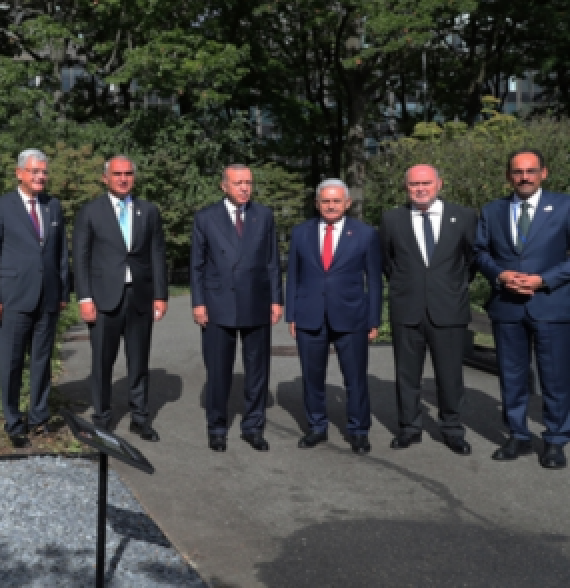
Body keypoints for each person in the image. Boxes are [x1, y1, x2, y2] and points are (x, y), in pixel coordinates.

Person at [475, 149, 570, 469]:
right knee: (511, 376)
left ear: (544, 173)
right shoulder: (492, 210)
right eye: (518, 172)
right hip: (508, 307)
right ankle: (518, 434)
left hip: (551, 304)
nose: (524, 177)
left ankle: (556, 439)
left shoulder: (564, 205)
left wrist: (543, 279)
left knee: (555, 378)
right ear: (508, 176)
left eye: (531, 171)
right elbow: (480, 252)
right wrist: (500, 275)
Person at [379, 164, 476, 455]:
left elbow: (470, 261)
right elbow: (388, 262)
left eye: (426, 183)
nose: (420, 189)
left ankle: (452, 428)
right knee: (407, 375)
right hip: (407, 309)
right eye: (414, 184)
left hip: (448, 309)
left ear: (439, 184)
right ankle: (409, 427)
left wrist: (449, 288)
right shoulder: (392, 219)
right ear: (405, 187)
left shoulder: (464, 217)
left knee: (450, 375)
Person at [73, 155, 168, 440]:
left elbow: (157, 255)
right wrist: (85, 298)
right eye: (117, 174)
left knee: (139, 361)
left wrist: (160, 295)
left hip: (139, 297)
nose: (123, 179)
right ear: (106, 178)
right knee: (102, 362)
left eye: (128, 173)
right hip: (104, 300)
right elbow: (81, 258)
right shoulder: (90, 212)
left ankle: (140, 417)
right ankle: (102, 418)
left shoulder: (148, 211)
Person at [285, 179, 382, 455]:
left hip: (352, 317)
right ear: (317, 203)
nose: (330, 206)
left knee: (355, 378)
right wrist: (292, 313)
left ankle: (359, 430)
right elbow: (293, 276)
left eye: (336, 201)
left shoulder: (365, 234)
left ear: (347, 203)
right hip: (309, 316)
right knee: (312, 377)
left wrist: (373, 319)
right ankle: (316, 427)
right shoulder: (301, 232)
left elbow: (374, 281)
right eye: (325, 201)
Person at [190, 165, 283, 452]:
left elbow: (272, 261)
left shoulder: (263, 215)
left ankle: (253, 427)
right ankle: (217, 427)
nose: (244, 188)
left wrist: (276, 300)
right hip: (219, 304)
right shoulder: (206, 218)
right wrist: (199, 302)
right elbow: (197, 265)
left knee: (258, 370)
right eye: (238, 183)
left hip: (256, 301)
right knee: (218, 370)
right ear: (224, 186)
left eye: (248, 183)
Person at [0, 149, 69, 448]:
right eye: (34, 172)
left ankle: (39, 416)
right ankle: (14, 421)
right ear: (19, 173)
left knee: (42, 361)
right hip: (13, 298)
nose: (40, 176)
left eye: (43, 172)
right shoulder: (0, 207)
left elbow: (60, 255)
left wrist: (63, 291)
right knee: (12, 362)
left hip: (48, 298)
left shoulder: (53, 206)